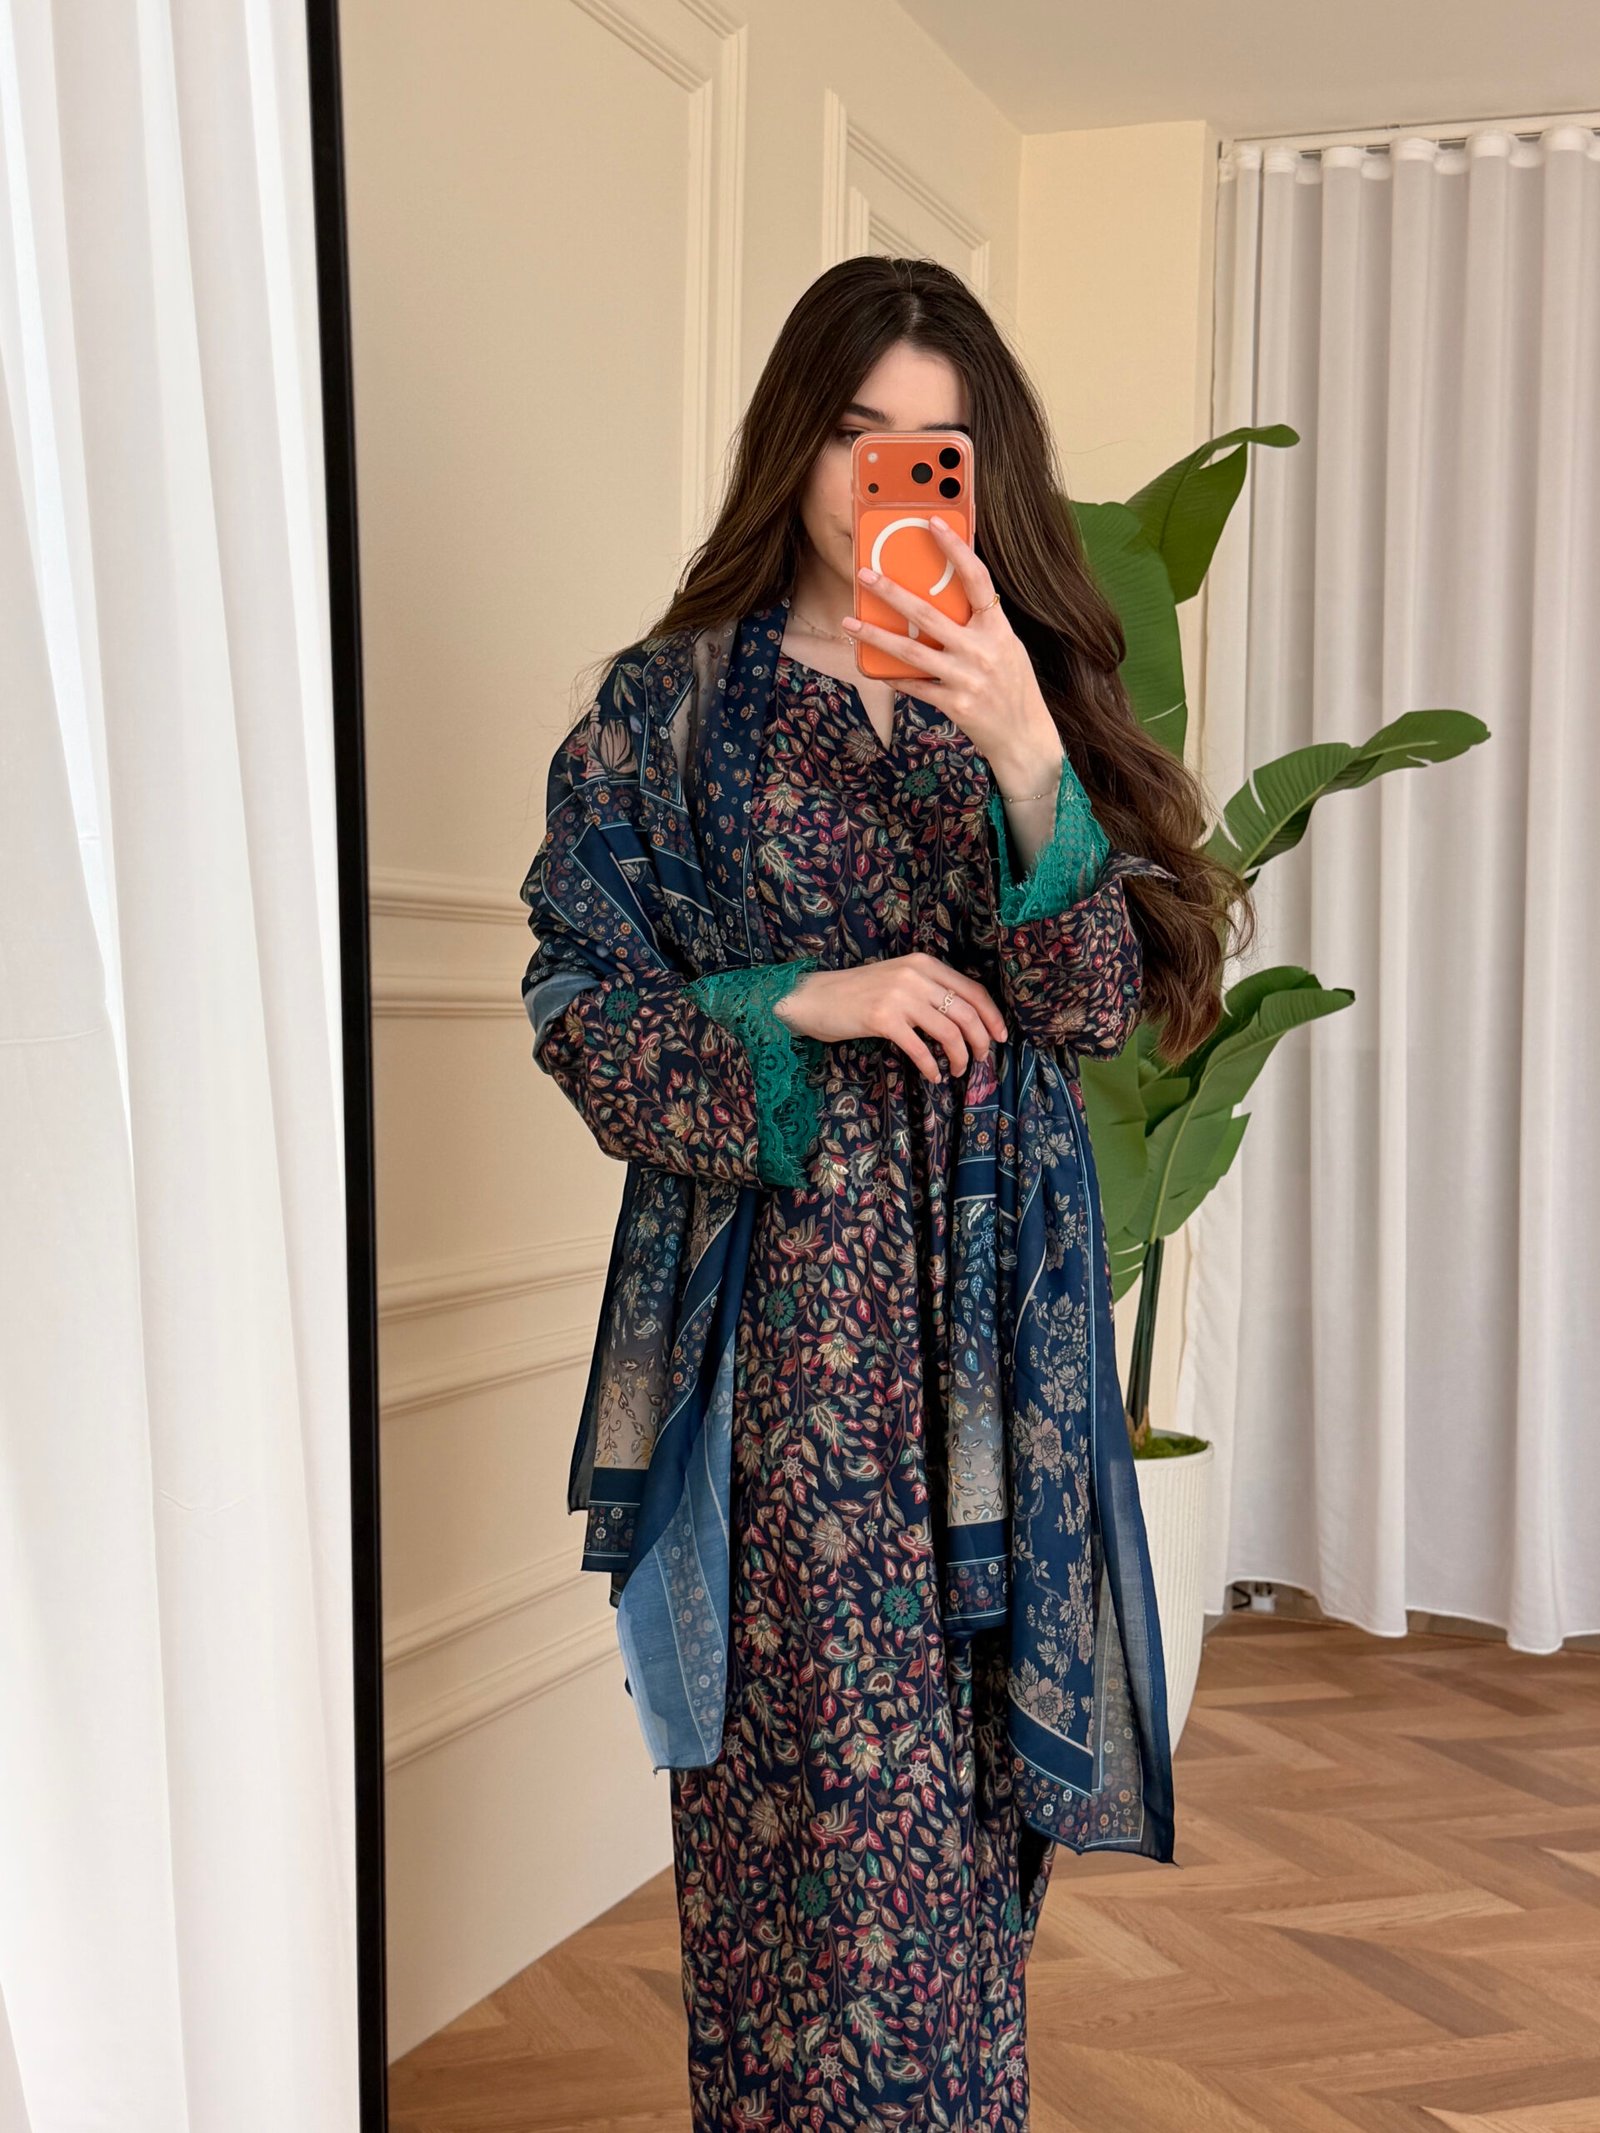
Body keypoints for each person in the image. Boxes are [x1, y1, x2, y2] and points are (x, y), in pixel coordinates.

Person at [519, 255, 1247, 2133]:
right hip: (783, 1357)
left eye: (932, 445)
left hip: (995, 1351)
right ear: (797, 441)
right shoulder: (669, 712)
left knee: (969, 1854)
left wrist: (1024, 750)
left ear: (978, 472)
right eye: (856, 434)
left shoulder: (1025, 694)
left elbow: (1091, 1008)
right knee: (805, 1834)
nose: (884, 479)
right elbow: (578, 1008)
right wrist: (803, 999)